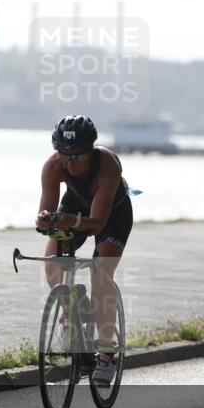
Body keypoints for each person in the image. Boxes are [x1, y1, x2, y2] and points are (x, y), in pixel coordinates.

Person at [35, 115, 133, 386]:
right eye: (65, 156)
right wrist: (44, 219)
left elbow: (98, 222)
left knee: (101, 272)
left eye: (78, 156)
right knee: (53, 264)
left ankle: (105, 354)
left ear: (91, 150)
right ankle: (71, 318)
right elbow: (46, 211)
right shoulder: (53, 166)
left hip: (112, 214)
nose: (71, 163)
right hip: (75, 209)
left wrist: (72, 222)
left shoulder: (108, 165)